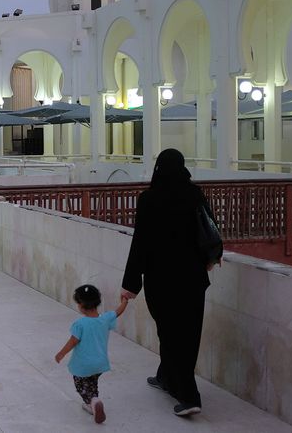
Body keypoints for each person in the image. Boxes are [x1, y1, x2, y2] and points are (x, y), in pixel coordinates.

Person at [121, 148, 218, 417]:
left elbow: (140, 242)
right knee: (186, 333)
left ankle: (189, 396)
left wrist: (131, 283)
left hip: (161, 279)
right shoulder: (194, 194)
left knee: (171, 333)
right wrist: (212, 256)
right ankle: (166, 376)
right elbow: (209, 227)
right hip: (193, 279)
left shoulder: (149, 199)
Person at [55, 285, 129, 424]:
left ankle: (93, 402)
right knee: (92, 383)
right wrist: (124, 302)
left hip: (83, 364)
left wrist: (61, 353)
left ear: (81, 305)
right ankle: (93, 402)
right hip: (100, 363)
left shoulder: (80, 324)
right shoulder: (105, 319)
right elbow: (117, 312)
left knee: (80, 385)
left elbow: (73, 341)